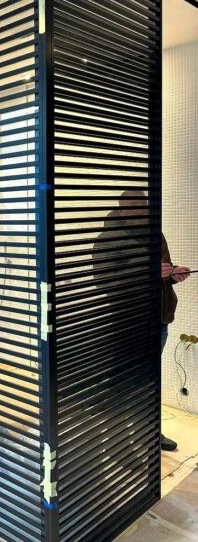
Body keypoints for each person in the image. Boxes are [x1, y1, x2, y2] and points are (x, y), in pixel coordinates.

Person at [93, 190, 190, 451]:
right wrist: (147, 271)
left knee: (148, 380)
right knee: (124, 383)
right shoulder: (108, 238)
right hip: (130, 322)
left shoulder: (155, 234)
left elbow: (162, 271)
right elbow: (103, 282)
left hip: (159, 320)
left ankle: (149, 431)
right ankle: (117, 439)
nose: (140, 209)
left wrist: (173, 274)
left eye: (143, 203)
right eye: (133, 205)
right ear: (121, 208)